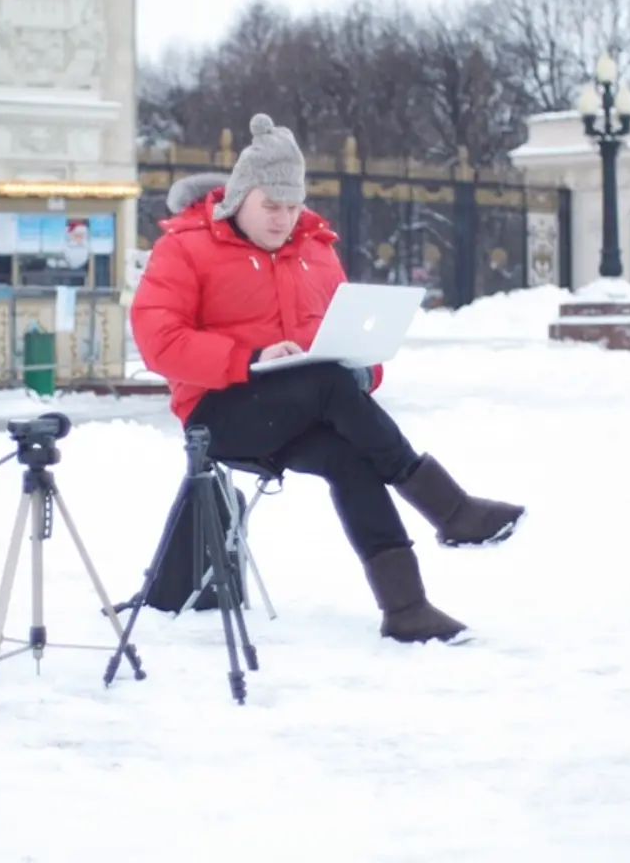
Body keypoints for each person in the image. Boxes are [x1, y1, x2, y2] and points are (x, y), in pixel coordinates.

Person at [129, 113, 525, 644]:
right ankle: (450, 509)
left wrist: (366, 368)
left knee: (350, 453)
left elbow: (346, 339)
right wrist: (249, 358)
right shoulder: (185, 247)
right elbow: (159, 341)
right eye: (271, 206)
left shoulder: (316, 250)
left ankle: (407, 608)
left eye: (292, 207)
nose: (283, 219)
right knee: (328, 386)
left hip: (307, 404)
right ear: (240, 196)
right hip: (219, 413)